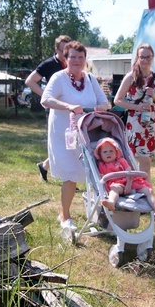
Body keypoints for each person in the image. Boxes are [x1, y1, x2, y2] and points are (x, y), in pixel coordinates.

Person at [41, 41, 109, 233]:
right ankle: (65, 216)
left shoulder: (89, 78)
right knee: (70, 174)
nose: (77, 61)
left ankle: (101, 213)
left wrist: (100, 107)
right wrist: (69, 106)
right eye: (73, 57)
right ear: (65, 58)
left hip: (87, 132)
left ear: (85, 59)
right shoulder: (58, 78)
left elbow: (104, 102)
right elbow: (45, 99)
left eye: (81, 57)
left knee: (94, 173)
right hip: (64, 133)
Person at [25, 34, 72, 182]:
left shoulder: (73, 64)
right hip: (54, 109)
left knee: (69, 143)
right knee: (63, 144)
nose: (66, 54)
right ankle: (68, 179)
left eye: (68, 50)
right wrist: (46, 96)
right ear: (56, 49)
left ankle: (45, 166)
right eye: (63, 50)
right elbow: (30, 81)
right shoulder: (49, 64)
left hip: (71, 108)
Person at [114, 44, 155, 178]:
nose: (145, 60)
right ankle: (146, 191)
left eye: (148, 57)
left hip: (151, 124)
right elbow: (117, 100)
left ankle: (138, 187)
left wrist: (154, 95)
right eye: (142, 57)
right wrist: (137, 107)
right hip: (135, 125)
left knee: (146, 161)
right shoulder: (131, 77)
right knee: (143, 161)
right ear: (137, 58)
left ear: (153, 58)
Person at [95, 138, 155, 218]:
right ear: (100, 155)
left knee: (148, 190)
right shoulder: (101, 165)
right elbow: (103, 178)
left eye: (111, 151)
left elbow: (129, 172)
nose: (108, 153)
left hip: (131, 182)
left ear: (116, 152)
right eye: (105, 152)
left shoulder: (121, 161)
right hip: (117, 184)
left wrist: (129, 184)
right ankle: (111, 203)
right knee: (114, 189)